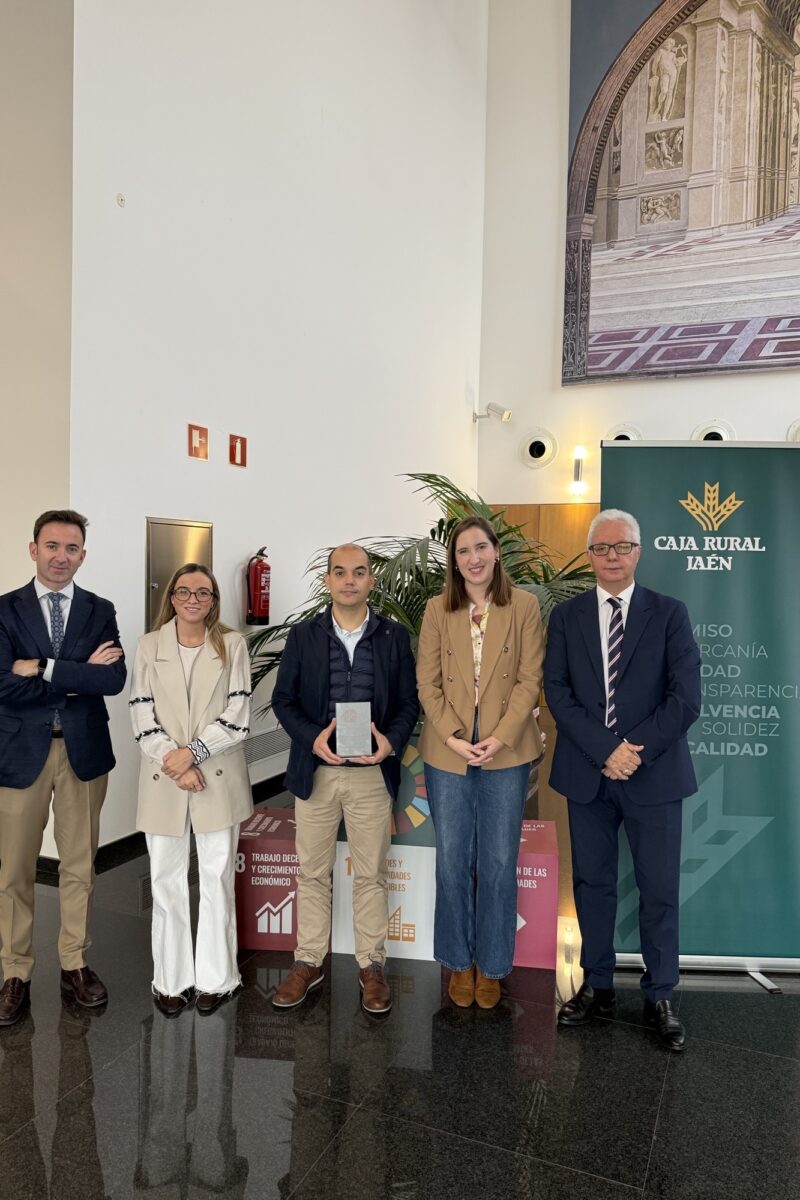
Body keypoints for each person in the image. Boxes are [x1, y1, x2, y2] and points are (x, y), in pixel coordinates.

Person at [544, 509, 700, 1052]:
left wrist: (633, 751)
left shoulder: (670, 614)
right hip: (588, 774)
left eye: (622, 546)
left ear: (639, 552)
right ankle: (598, 983)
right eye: (602, 548)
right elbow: (557, 693)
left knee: (658, 889)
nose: (612, 555)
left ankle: (659, 994)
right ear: (589, 557)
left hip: (653, 774)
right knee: (593, 884)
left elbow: (685, 699)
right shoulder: (565, 618)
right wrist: (606, 750)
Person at [271, 544, 418, 1014]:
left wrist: (389, 743)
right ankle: (308, 961)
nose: (349, 580)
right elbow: (282, 701)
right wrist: (312, 738)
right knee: (312, 872)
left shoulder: (394, 638)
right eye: (340, 572)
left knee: (370, 874)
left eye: (359, 573)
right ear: (328, 581)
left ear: (371, 581)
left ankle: (372, 965)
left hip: (371, 775)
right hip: (317, 772)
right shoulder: (304, 637)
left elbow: (409, 704)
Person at [0, 509, 126, 1027]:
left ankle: (74, 962)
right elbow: (3, 685)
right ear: (33, 549)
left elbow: (114, 680)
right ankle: (14, 971)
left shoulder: (100, 610)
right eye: (52, 546)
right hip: (19, 753)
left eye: (71, 548)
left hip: (84, 753)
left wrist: (43, 667)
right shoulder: (5, 610)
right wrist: (78, 676)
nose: (61, 557)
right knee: (13, 870)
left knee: (79, 865)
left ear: (82, 555)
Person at [416, 516, 544, 1009]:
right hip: (447, 753)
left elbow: (529, 679)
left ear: (495, 552)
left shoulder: (524, 606)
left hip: (505, 750)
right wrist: (451, 736)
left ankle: (491, 965)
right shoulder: (436, 610)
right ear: (454, 560)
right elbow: (426, 682)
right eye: (462, 550)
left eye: (480, 547)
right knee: (451, 861)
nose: (473, 558)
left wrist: (498, 737)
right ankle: (456, 959)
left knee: (495, 862)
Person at [130, 563, 253, 1018]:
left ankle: (218, 979)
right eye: (185, 591)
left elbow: (239, 714)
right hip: (166, 777)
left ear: (214, 599)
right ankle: (171, 980)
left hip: (215, 774)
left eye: (203, 592)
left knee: (218, 878)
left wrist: (193, 754)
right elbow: (141, 711)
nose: (193, 599)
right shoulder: (150, 645)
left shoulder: (233, 644)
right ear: (173, 597)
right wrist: (176, 762)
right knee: (166, 880)